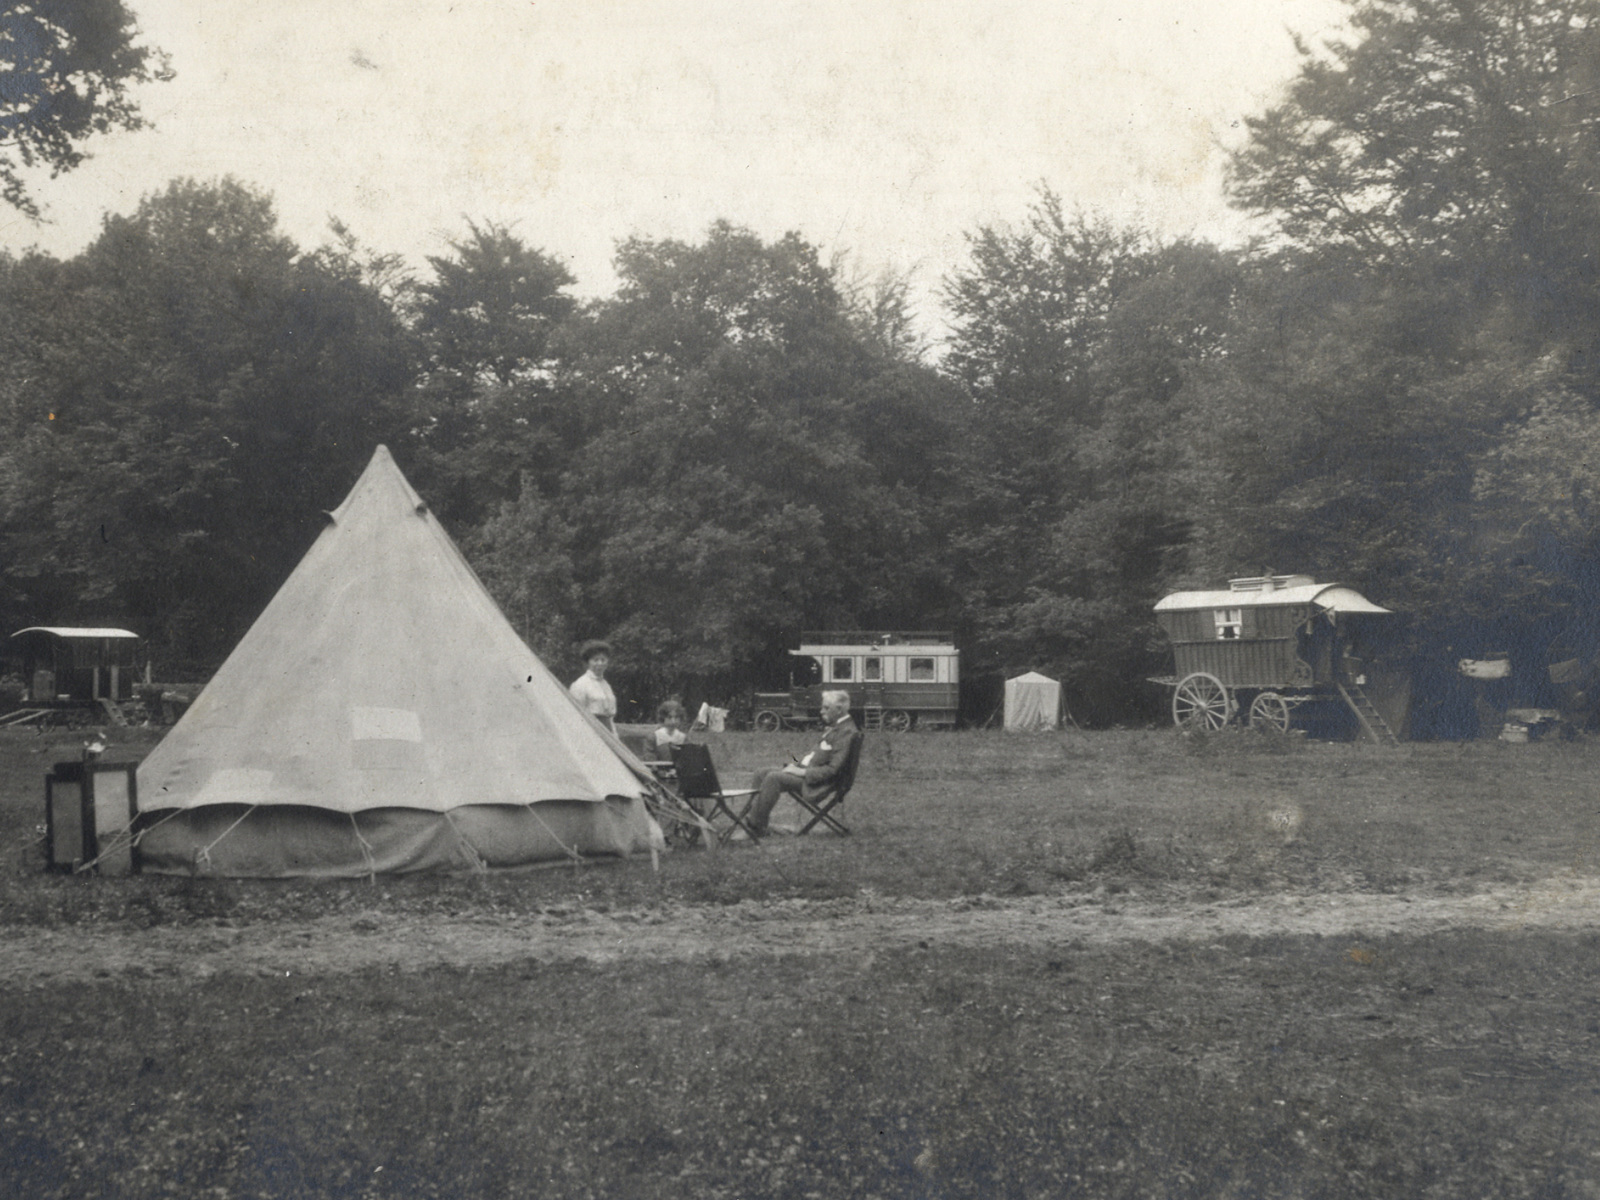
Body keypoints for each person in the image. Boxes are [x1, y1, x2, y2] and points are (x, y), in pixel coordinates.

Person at [746, 689, 858, 837]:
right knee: (761, 773)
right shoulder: (839, 727)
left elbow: (833, 770)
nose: (821, 711)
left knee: (773, 778)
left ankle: (754, 825)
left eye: (826, 708)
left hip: (820, 783)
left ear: (839, 709)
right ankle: (754, 820)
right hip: (810, 774)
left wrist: (802, 772)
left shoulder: (846, 731)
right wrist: (798, 767)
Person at [569, 640, 617, 733]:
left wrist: (614, 735)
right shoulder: (580, 684)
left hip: (608, 731)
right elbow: (576, 714)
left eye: (603, 660)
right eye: (596, 660)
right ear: (588, 662)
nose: (600, 663)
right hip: (591, 730)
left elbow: (610, 717)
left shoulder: (606, 685)